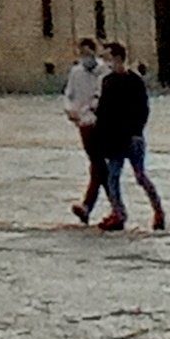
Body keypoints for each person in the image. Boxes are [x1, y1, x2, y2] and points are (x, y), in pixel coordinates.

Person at [90, 41, 166, 231]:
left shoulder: (134, 81)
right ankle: (119, 213)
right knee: (113, 177)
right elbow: (104, 112)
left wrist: (136, 131)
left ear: (117, 58)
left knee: (140, 176)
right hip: (115, 138)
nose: (105, 62)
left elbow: (143, 108)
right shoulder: (108, 81)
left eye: (107, 58)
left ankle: (158, 211)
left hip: (132, 137)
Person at [63, 38, 107, 223]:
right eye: (82, 53)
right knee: (98, 165)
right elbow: (68, 94)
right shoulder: (76, 72)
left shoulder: (104, 71)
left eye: (88, 53)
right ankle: (93, 206)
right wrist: (69, 109)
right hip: (83, 123)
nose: (85, 57)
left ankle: (90, 205)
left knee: (100, 166)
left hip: (102, 123)